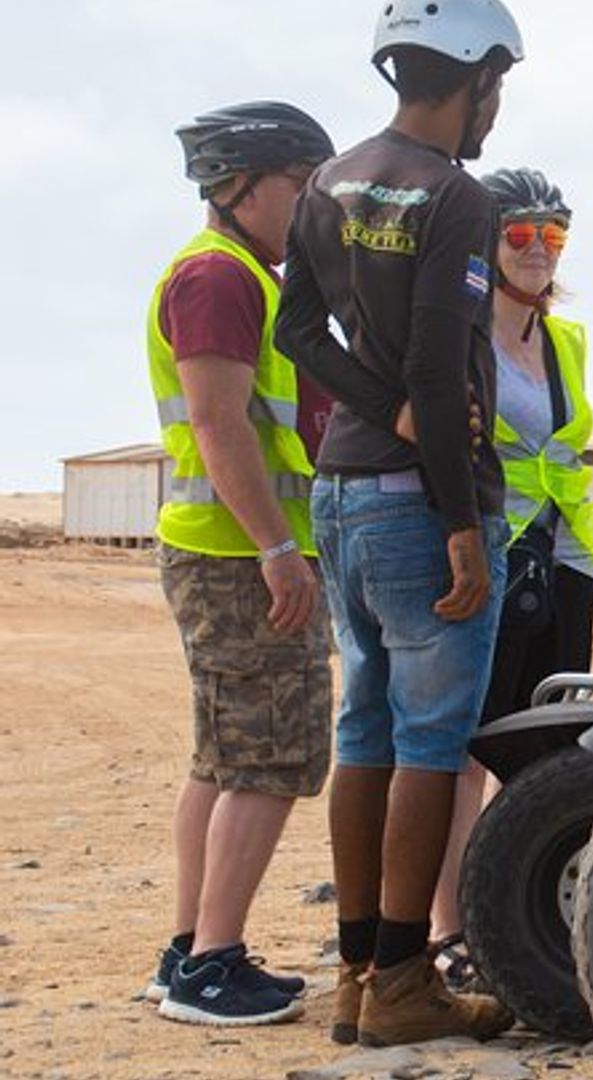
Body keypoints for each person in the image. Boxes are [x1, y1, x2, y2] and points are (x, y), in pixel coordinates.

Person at [274, 0, 522, 1048]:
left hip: (340, 493)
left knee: (364, 729)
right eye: (496, 89)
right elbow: (430, 358)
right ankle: (408, 986)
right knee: (429, 741)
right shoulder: (455, 197)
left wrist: (378, 410)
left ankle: (359, 978)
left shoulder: (331, 179)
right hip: (421, 503)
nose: (496, 111)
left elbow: (294, 330)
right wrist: (461, 519)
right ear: (473, 80)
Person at [144, 100, 336, 1028]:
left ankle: (192, 947)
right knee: (270, 756)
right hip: (237, 556)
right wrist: (278, 549)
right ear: (238, 187)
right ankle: (212, 964)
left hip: (231, 553)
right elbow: (220, 424)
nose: (308, 209)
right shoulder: (219, 277)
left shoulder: (241, 275)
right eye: (300, 188)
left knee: (224, 758)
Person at [426, 167, 593, 981]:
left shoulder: (564, 339)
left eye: (554, 235)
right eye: (521, 234)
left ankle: (517, 915)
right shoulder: (460, 331)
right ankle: (452, 928)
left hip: (565, 556)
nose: (540, 249)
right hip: (491, 552)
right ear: (487, 241)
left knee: (542, 743)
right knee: (470, 744)